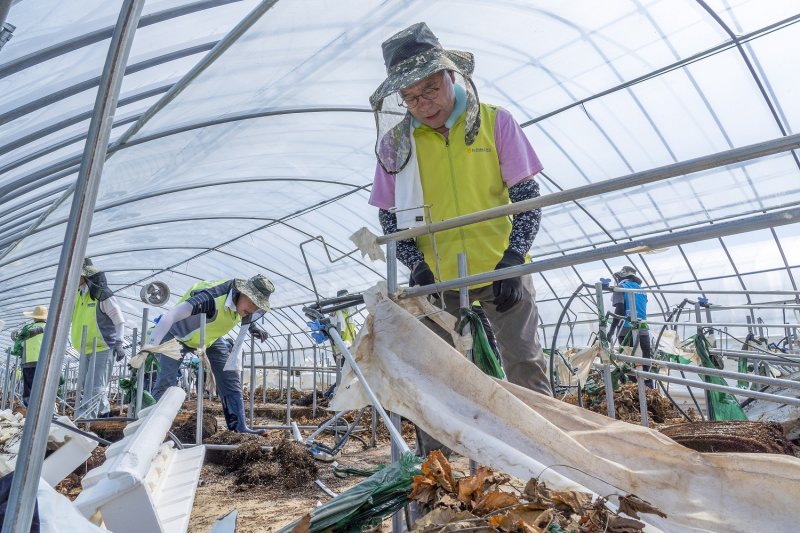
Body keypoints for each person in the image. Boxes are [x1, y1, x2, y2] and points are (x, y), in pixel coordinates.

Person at [368, 23, 551, 397]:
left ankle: (545, 455)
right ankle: (442, 456)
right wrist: (416, 266)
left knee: (524, 365)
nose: (423, 104)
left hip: (502, 267)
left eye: (430, 89)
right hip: (438, 281)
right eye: (411, 97)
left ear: (451, 75)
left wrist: (514, 259)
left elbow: (527, 194)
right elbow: (389, 216)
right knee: (440, 380)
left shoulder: (495, 121)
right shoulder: (397, 145)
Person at [147, 275, 273, 434]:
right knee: (166, 379)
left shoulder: (244, 306)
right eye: (252, 302)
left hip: (209, 339)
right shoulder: (210, 298)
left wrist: (252, 327)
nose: (253, 309)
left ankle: (239, 428)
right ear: (241, 292)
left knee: (230, 376)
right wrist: (150, 347)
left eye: (258, 306)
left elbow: (246, 313)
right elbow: (170, 316)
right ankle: (152, 428)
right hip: (176, 335)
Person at [71, 258, 126, 418]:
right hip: (85, 348)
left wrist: (119, 343)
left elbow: (119, 320)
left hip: (102, 347)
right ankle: (103, 413)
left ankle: (85, 418)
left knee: (93, 386)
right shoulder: (78, 295)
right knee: (87, 385)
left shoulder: (102, 295)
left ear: (86, 276)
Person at [608, 266, 653, 388]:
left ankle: (634, 389)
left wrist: (611, 331)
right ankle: (649, 388)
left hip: (627, 328)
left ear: (621, 277)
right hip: (643, 328)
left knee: (628, 360)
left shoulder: (621, 288)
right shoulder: (641, 290)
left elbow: (620, 310)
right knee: (645, 358)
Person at [12, 306, 47, 406]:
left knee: (29, 388)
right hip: (45, 362)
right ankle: (43, 407)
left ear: (34, 317)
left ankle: (29, 409)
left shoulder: (27, 328)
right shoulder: (50, 328)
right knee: (42, 386)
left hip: (29, 362)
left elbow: (18, 343)